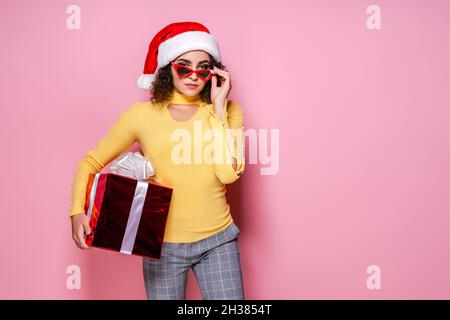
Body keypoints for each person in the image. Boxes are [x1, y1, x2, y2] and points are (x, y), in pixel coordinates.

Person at [69, 21, 246, 300]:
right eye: (183, 66)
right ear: (168, 69)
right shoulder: (141, 115)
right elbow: (90, 161)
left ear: (214, 72)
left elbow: (227, 174)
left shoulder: (228, 111)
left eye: (203, 67)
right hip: (161, 244)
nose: (193, 75)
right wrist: (77, 211)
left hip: (218, 241)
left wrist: (219, 109)